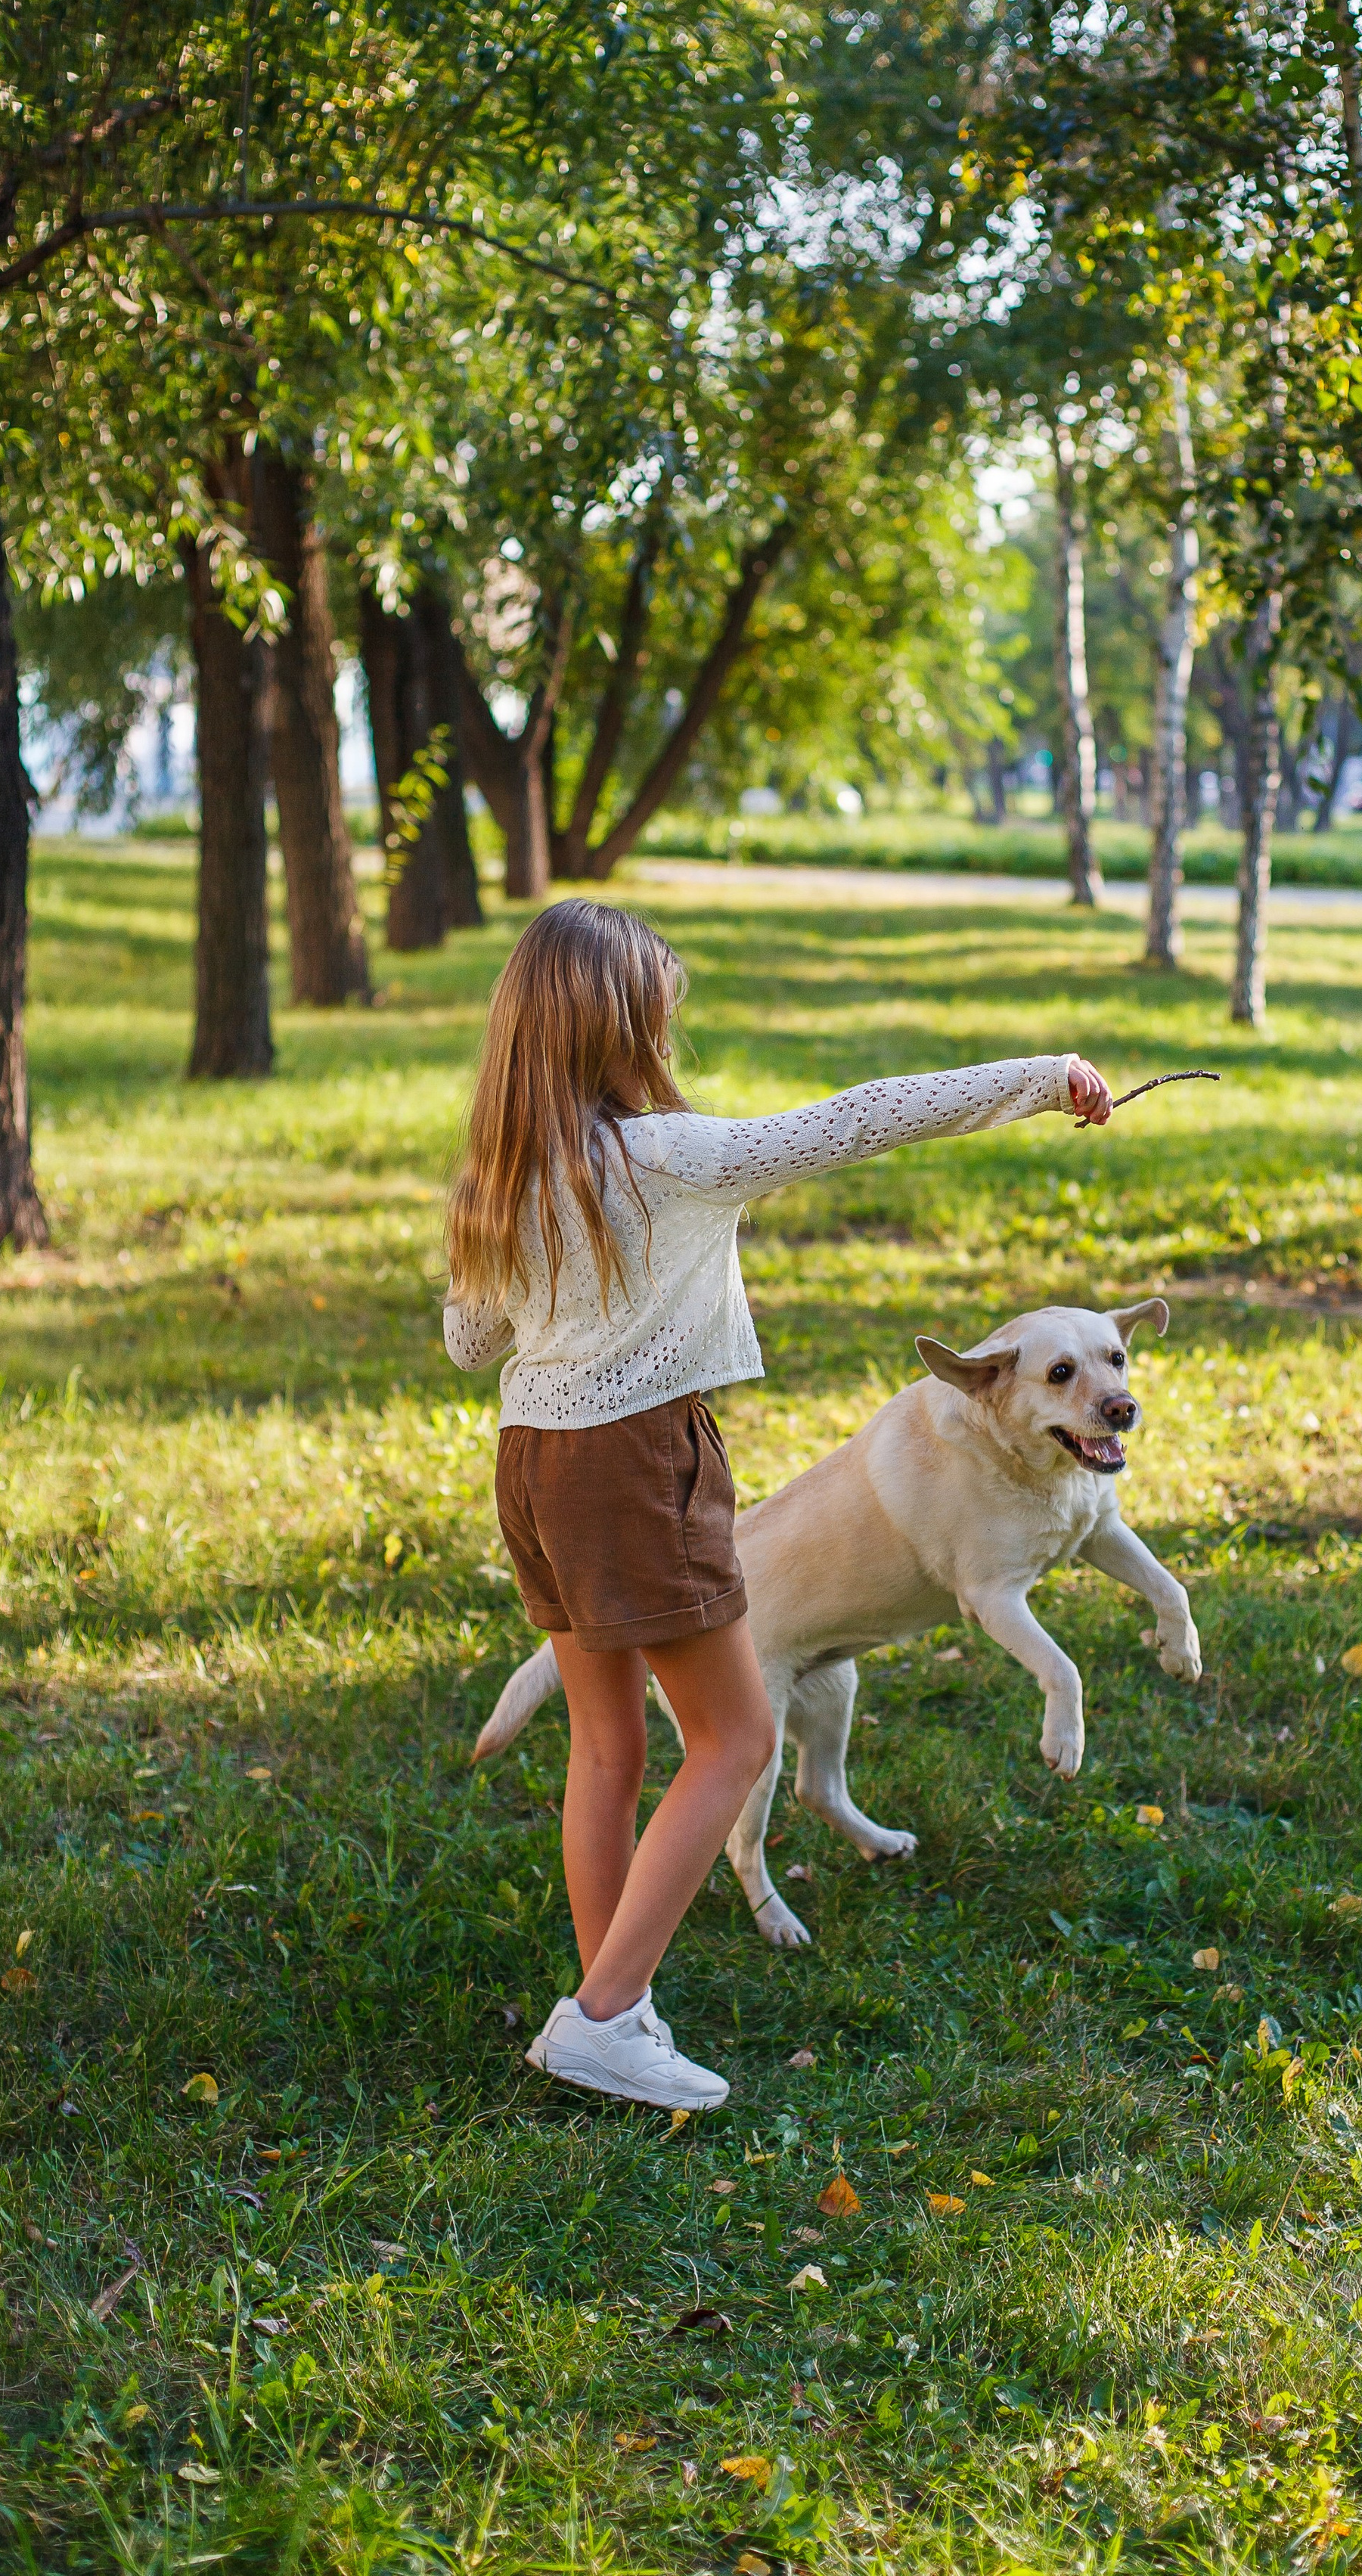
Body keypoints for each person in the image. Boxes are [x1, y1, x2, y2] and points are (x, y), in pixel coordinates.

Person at [443, 898, 1114, 2110]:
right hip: (634, 1460)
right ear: (619, 1025)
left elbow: (467, 1336)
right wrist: (1043, 1076)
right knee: (738, 1738)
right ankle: (603, 2018)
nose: (669, 1027)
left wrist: (575, 1289)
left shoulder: (507, 1170)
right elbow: (853, 1122)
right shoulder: (670, 1155)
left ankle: (617, 2008)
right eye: (658, 1008)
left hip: (533, 1458)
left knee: (608, 1743)